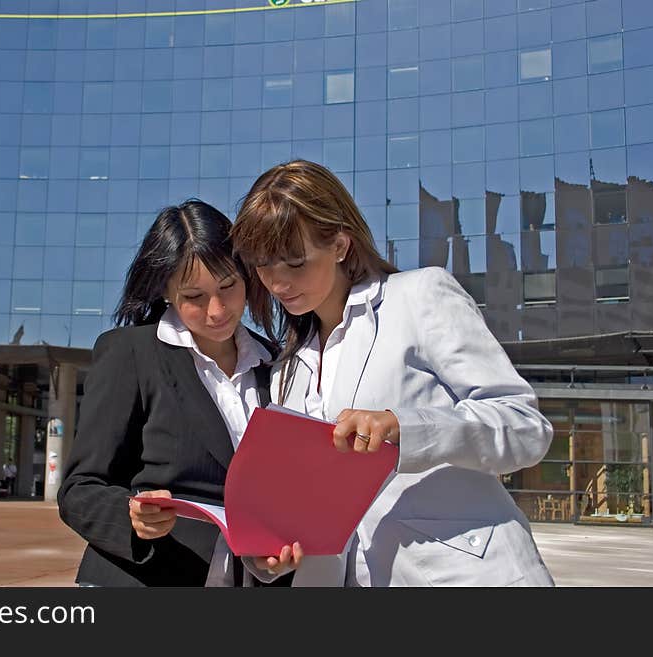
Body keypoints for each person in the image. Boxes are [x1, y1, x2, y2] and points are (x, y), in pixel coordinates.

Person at [230, 160, 555, 586]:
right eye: (263, 265)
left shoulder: (419, 297)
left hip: (462, 574)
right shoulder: (287, 372)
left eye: (294, 263)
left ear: (341, 244)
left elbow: (526, 426)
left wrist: (405, 429)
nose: (276, 283)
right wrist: (270, 557)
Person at [57, 200, 289, 587]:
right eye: (194, 296)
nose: (216, 310)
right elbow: (79, 489)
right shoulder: (131, 353)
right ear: (165, 289)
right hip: (147, 579)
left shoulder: (278, 364)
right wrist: (131, 516)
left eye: (228, 286)